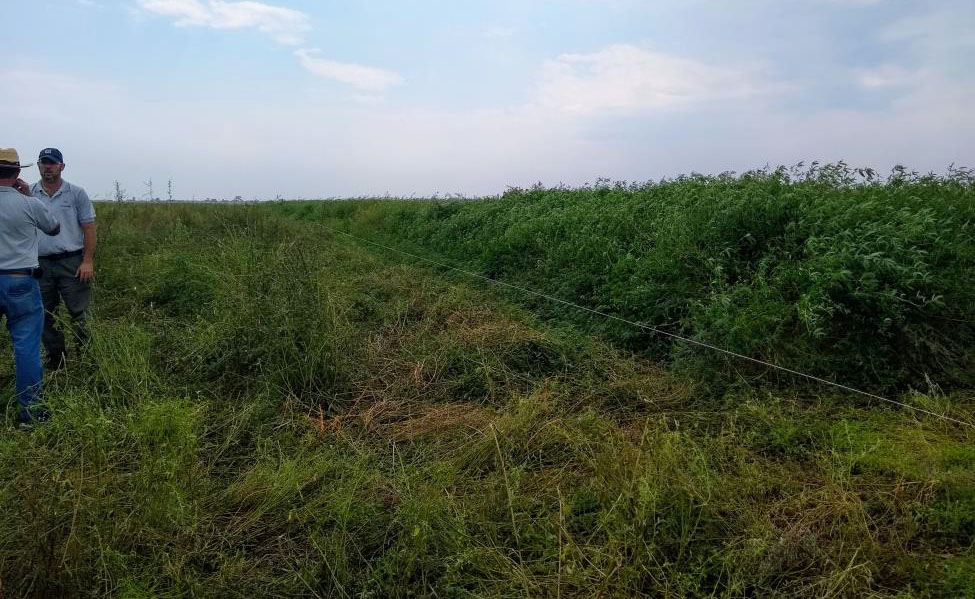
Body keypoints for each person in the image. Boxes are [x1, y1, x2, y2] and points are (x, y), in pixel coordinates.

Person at [0, 148, 61, 426]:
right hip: (20, 281)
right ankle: (31, 413)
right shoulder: (29, 203)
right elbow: (54, 228)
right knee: (26, 347)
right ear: (18, 173)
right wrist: (28, 197)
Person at [30, 148, 96, 370]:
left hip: (72, 262)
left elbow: (89, 228)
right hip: (40, 264)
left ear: (61, 166)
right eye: (44, 163)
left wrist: (87, 261)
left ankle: (88, 358)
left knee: (80, 313)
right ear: (39, 166)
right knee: (46, 313)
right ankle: (57, 359)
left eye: (52, 163)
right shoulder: (29, 194)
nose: (48, 167)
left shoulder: (76, 193)